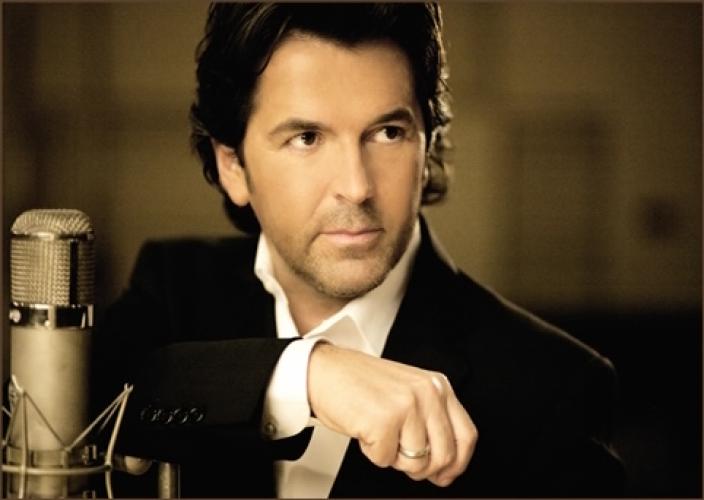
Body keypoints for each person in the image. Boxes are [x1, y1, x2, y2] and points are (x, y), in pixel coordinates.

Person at [95, 3, 624, 497]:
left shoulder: (554, 387)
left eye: (389, 132)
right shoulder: (174, 287)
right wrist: (303, 374)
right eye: (307, 138)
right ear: (232, 165)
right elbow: (77, 399)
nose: (356, 187)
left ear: (427, 148)